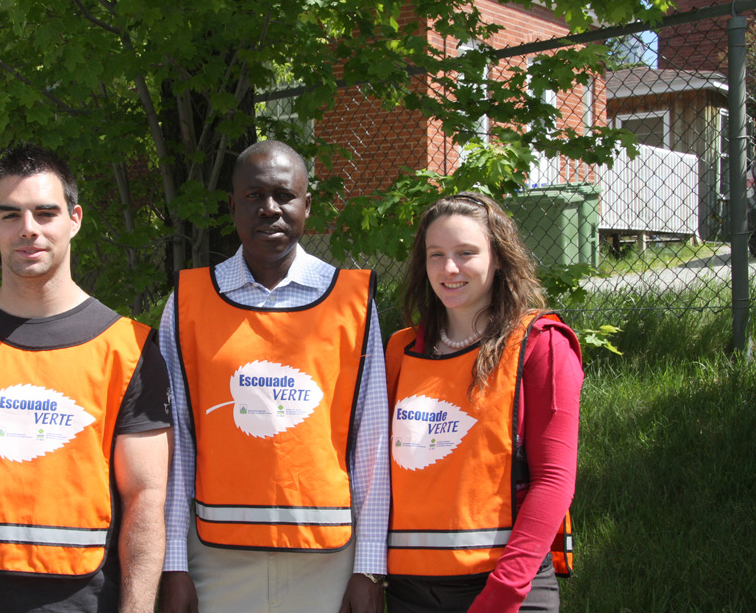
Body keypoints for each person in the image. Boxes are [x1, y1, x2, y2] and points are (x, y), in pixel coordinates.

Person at [0, 143, 172, 613]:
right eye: (11, 214)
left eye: (45, 213)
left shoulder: (129, 350)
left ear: (74, 219)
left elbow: (145, 499)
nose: (28, 229)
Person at [158, 140, 389, 613]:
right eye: (254, 196)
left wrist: (368, 566)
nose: (269, 208)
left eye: (284, 196)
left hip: (326, 556)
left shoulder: (352, 302)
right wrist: (174, 562)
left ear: (307, 205)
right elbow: (174, 442)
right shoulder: (188, 301)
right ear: (232, 206)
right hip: (215, 556)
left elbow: (371, 441)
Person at [384, 192, 582, 613]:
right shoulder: (401, 350)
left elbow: (554, 481)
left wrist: (503, 593)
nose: (449, 268)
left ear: (499, 259)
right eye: (436, 255)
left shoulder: (541, 343)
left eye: (466, 253)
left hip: (504, 589)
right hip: (409, 590)